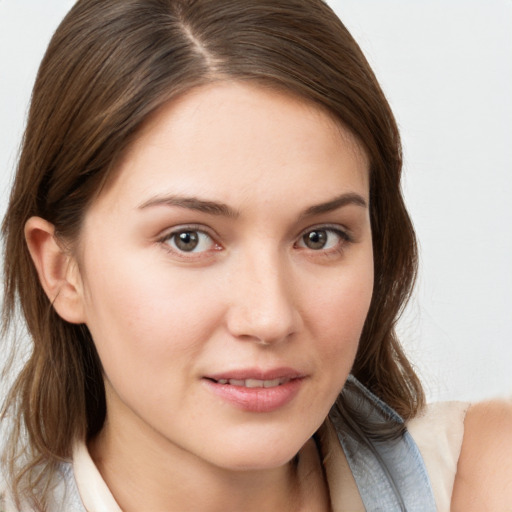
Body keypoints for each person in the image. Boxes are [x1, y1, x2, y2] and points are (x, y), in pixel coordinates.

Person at [1, 0, 511, 510]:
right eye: (188, 239)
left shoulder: (483, 479)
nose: (269, 318)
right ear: (61, 271)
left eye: (320, 237)